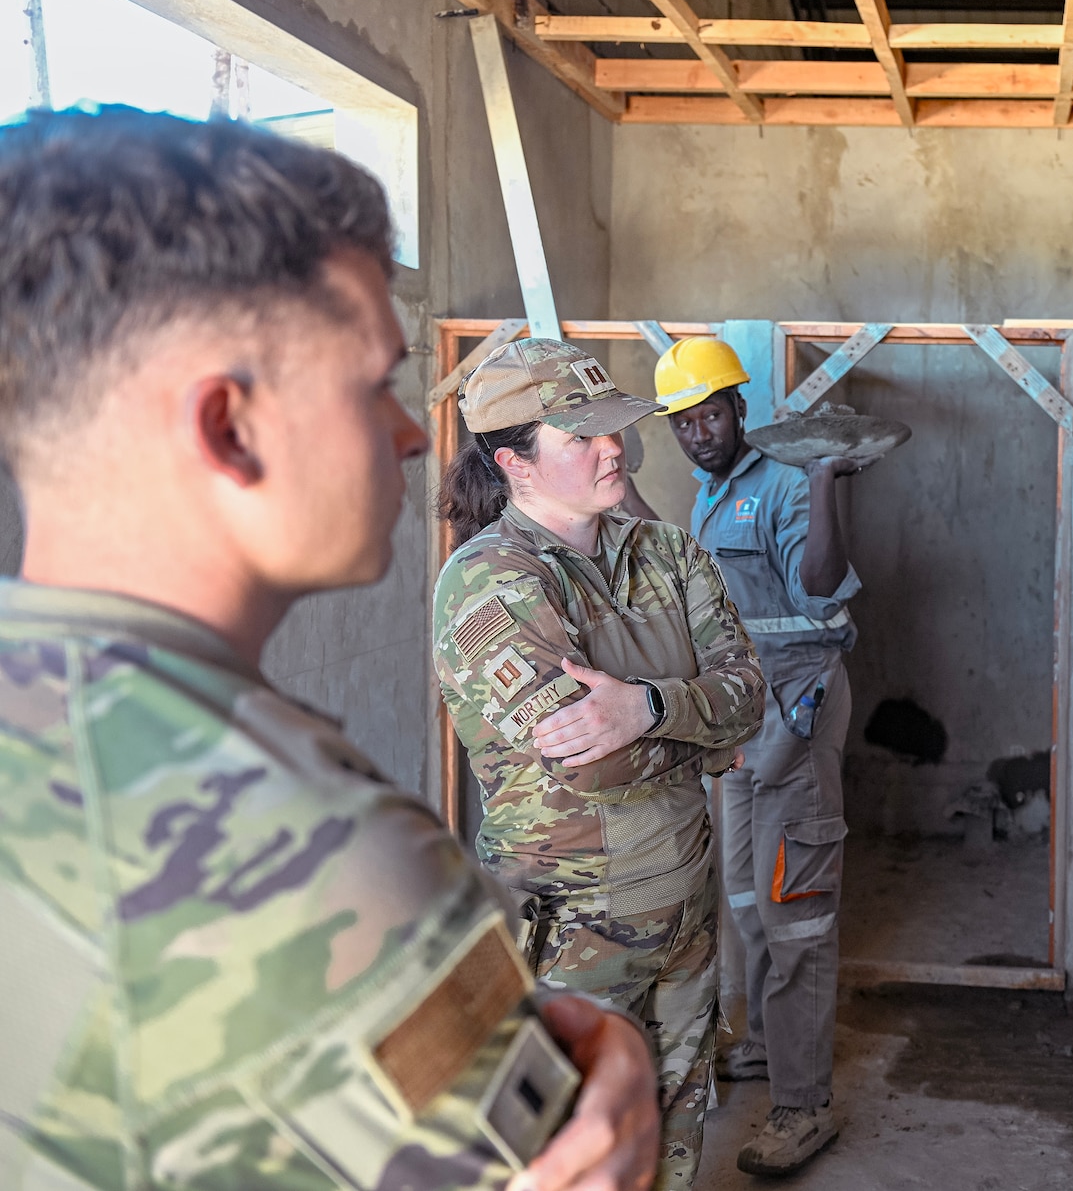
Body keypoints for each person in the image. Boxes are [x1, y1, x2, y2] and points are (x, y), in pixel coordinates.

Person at [0, 108, 660, 1191]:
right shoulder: (310, 864)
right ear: (230, 427)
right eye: (372, 383)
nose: (410, 434)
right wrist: (607, 1068)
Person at [432, 336, 768, 1190]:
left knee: (679, 1129)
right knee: (576, 1150)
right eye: (579, 437)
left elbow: (750, 697)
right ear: (516, 462)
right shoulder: (489, 583)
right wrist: (696, 716)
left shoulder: (666, 552)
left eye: (611, 427)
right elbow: (589, 765)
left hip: (683, 912)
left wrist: (647, 704)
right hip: (573, 932)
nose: (611, 446)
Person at [656, 336, 871, 1177]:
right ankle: (766, 1047)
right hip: (744, 723)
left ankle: (803, 1101)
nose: (698, 431)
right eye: (682, 420)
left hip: (799, 710)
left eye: (709, 412)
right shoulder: (711, 494)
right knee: (746, 896)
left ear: (740, 407)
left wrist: (822, 484)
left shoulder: (784, 481)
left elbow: (820, 588)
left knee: (797, 910)